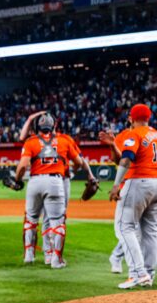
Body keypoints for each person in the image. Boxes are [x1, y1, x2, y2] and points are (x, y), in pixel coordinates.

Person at [9, 112, 96, 268]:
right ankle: (55, 260)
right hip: (56, 181)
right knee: (58, 222)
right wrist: (76, 173)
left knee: (30, 220)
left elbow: (22, 166)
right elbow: (79, 161)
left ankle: (29, 256)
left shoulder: (31, 141)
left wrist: (17, 180)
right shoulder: (64, 141)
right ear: (54, 125)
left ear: (38, 127)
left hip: (35, 181)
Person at [109, 103, 157, 289]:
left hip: (138, 182)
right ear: (148, 117)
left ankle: (138, 273)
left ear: (131, 118)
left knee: (123, 227)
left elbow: (127, 158)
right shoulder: (155, 134)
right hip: (155, 183)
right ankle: (149, 274)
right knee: (150, 232)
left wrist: (115, 185)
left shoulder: (133, 134)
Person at [99, 127, 127, 274]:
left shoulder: (152, 134)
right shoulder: (123, 137)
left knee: (144, 230)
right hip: (129, 185)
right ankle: (117, 257)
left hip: (149, 186)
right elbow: (119, 161)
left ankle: (117, 257)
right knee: (129, 229)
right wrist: (113, 144)